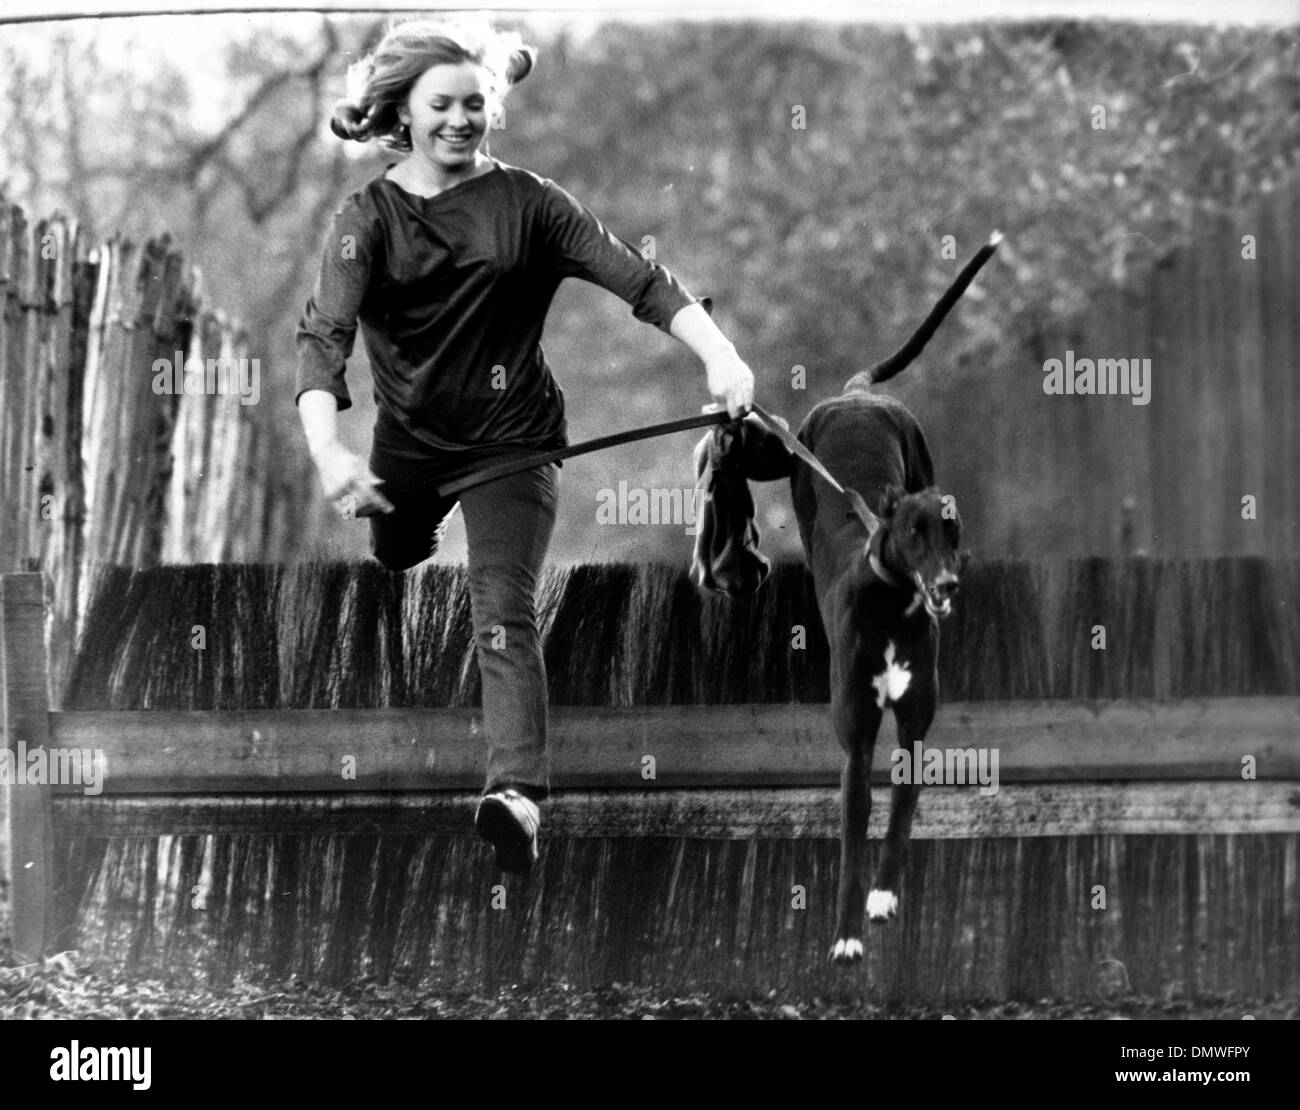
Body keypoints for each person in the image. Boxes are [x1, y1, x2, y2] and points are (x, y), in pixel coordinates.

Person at [295, 18, 754, 873]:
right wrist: (331, 453)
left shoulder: (532, 205)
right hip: (411, 446)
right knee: (396, 553)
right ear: (401, 111)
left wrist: (721, 357)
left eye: (478, 103)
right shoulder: (367, 220)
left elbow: (642, 281)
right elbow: (323, 340)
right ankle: (404, 526)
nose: (462, 121)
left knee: (499, 605)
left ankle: (517, 797)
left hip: (515, 442)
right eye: (442, 106)